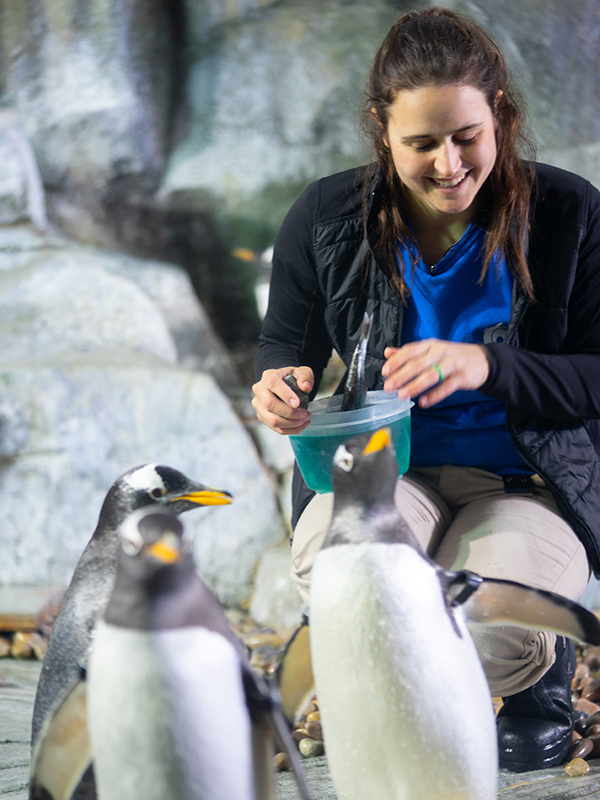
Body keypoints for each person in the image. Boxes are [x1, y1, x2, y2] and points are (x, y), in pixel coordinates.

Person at [252, 6, 600, 773]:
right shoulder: (327, 215)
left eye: (466, 137)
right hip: (384, 471)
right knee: (361, 594)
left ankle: (534, 683)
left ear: (500, 116)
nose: (448, 163)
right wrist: (278, 383)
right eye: (421, 143)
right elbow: (285, 345)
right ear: (382, 130)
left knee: (486, 631)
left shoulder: (569, 212)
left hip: (527, 483)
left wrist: (488, 366)